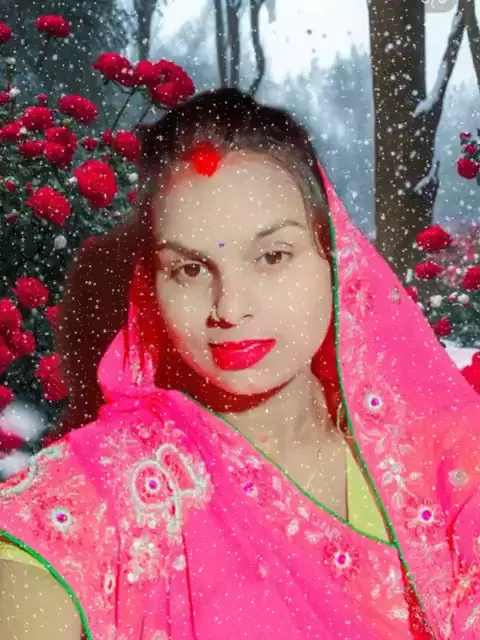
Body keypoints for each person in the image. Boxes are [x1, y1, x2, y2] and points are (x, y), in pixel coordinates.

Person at [0, 88, 479, 640]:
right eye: (189, 269)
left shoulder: (445, 461)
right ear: (152, 287)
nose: (230, 308)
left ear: (336, 257)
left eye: (272, 256)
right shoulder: (117, 487)